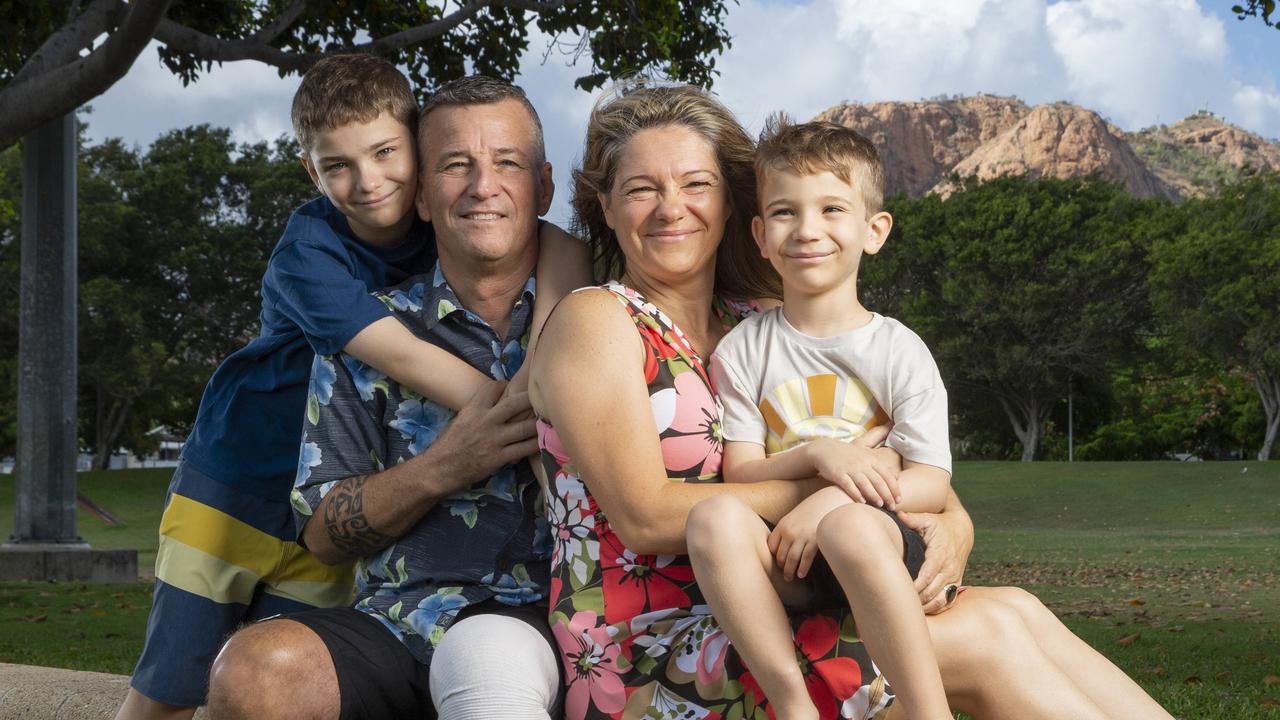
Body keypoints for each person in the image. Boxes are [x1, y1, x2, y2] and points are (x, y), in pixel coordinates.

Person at [530, 81, 1176, 719]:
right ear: (606, 208)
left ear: (731, 204)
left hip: (790, 599)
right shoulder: (599, 321)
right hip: (650, 646)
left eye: (696, 184)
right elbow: (647, 516)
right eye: (642, 188)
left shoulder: (765, 321)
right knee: (985, 641)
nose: (672, 207)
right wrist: (834, 490)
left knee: (1014, 609)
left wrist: (954, 522)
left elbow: (899, 455)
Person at [117, 57, 586, 720]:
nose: (369, 182)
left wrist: (550, 351)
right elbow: (402, 356)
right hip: (235, 477)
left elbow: (561, 245)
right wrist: (521, 421)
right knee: (175, 679)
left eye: (385, 153)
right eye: (456, 165)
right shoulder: (314, 256)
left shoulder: (577, 299)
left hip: (504, 611)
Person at [689, 116, 952, 720]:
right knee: (712, 519)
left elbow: (932, 482)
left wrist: (831, 502)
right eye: (785, 212)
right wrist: (817, 456)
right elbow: (742, 472)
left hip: (880, 548)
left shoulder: (898, 350)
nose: (808, 230)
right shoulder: (745, 349)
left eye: (833, 209)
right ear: (759, 233)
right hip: (788, 561)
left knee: (851, 529)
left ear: (874, 230)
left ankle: (927, 712)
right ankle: (792, 706)